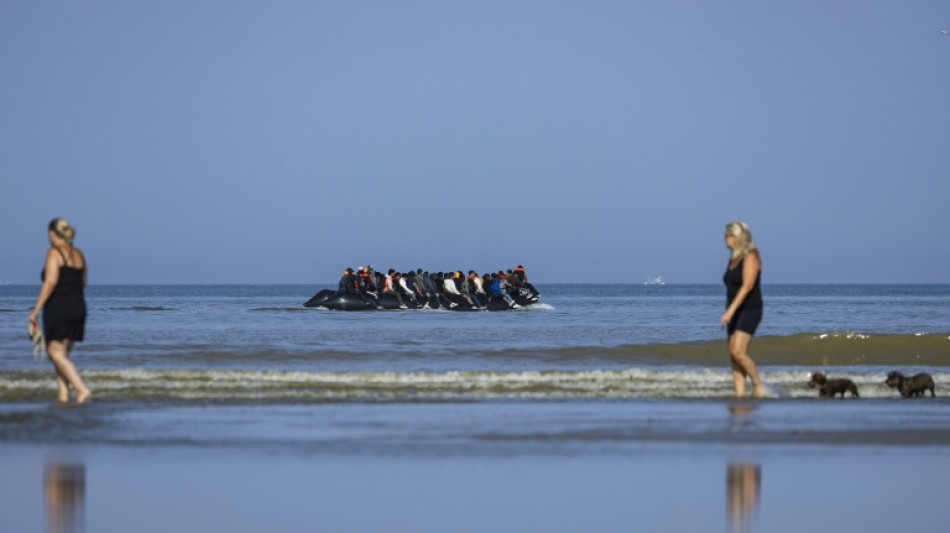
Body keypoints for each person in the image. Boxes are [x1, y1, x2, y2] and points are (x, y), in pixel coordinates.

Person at [28, 218, 92, 404]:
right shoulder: (79, 253)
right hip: (78, 307)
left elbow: (50, 282)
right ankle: (63, 396)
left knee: (54, 354)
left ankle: (82, 390)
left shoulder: (54, 252)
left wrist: (35, 311)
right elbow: (83, 282)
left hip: (59, 307)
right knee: (62, 356)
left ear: (53, 233)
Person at [720, 221, 764, 398]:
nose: (724, 239)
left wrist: (730, 311)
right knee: (733, 354)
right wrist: (730, 310)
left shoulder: (751, 256)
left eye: (726, 236)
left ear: (735, 237)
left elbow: (747, 286)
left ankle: (757, 384)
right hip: (734, 309)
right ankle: (740, 395)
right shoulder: (733, 257)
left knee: (737, 351)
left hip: (750, 309)